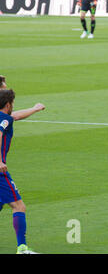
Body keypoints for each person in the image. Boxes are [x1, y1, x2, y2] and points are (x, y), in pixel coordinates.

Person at [0, 89, 46, 254]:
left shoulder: (4, 117)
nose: (13, 106)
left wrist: (34, 108)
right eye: (12, 103)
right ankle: (22, 248)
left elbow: (16, 116)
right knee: (19, 206)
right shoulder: (3, 119)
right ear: (7, 104)